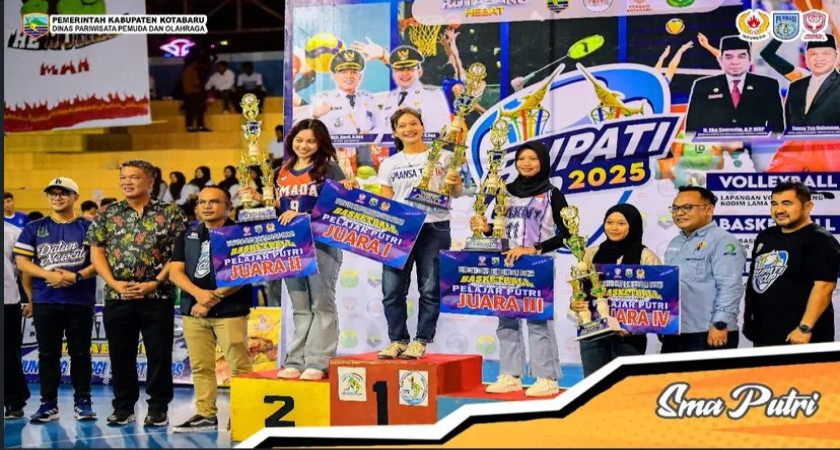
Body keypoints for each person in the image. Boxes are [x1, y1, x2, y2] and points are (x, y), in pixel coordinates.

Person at [86, 160, 187, 427]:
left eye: (134, 177)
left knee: (159, 354)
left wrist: (156, 282)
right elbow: (97, 252)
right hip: (118, 296)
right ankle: (123, 407)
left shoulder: (171, 212)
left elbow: (178, 254)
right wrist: (114, 283)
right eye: (123, 178)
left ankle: (158, 408)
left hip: (158, 296)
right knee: (121, 354)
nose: (127, 182)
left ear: (150, 181)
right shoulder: (107, 213)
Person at [248, 119, 350, 380]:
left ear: (320, 143)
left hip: (321, 244)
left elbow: (339, 208)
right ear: (291, 141)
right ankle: (296, 359)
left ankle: (319, 361)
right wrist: (259, 200)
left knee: (321, 304)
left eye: (311, 141)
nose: (304, 145)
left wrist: (304, 215)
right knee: (300, 306)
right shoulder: (280, 171)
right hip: (290, 246)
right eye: (299, 140)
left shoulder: (330, 169)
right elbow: (280, 208)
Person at [469, 142, 569, 397]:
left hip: (537, 264)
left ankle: (547, 378)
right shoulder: (505, 192)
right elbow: (499, 229)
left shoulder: (553, 194)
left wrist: (534, 248)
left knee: (538, 321)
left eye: (533, 158)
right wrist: (485, 228)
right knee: (506, 321)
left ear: (543, 162)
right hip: (506, 263)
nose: (526, 163)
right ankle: (510, 375)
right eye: (522, 158)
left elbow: (568, 234)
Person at [376, 108, 464, 360]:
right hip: (400, 230)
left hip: (434, 226)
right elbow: (386, 201)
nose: (409, 129)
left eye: (413, 123)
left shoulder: (444, 157)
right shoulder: (389, 164)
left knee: (430, 288)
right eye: (402, 126)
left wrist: (456, 183)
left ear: (422, 127)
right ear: (395, 132)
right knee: (392, 290)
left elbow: (456, 193)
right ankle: (397, 339)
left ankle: (421, 340)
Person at [14, 177, 98, 422]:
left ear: (75, 197)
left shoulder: (89, 227)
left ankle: (83, 402)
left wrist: (76, 276)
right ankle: (48, 404)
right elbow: (22, 262)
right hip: (46, 300)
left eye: (63, 193)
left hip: (79, 300)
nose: (57, 197)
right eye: (53, 193)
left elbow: (100, 262)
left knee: (80, 354)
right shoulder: (34, 227)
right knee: (48, 355)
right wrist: (48, 275)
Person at [170, 186, 253, 432]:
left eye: (214, 202)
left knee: (239, 366)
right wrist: (199, 295)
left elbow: (244, 273)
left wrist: (210, 299)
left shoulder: (241, 234)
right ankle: (206, 414)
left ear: (228, 206)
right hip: (193, 311)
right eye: (202, 202)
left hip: (230, 310)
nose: (206, 206)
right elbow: (175, 272)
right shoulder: (187, 234)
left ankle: (243, 415)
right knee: (200, 366)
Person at [744, 181, 840, 346]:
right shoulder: (766, 236)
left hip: (801, 337)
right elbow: (756, 278)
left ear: (807, 207)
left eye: (787, 203)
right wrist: (749, 319)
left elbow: (824, 287)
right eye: (774, 204)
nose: (779, 210)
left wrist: (805, 328)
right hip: (764, 334)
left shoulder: (820, 240)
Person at [574, 204, 661, 377]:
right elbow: (580, 289)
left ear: (633, 225)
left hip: (628, 336)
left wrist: (634, 325)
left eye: (621, 223)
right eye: (609, 222)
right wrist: (576, 304)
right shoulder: (590, 254)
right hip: (593, 333)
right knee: (594, 385)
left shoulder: (646, 256)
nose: (614, 228)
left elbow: (657, 298)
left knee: (624, 386)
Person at [662, 186, 745, 352]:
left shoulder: (723, 241)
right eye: (675, 208)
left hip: (708, 332)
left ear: (709, 210)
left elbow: (730, 286)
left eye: (687, 207)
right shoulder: (675, 242)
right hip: (675, 331)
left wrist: (720, 324)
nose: (679, 213)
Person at [685, 36, 784, 134]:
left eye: (741, 56)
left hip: (756, 143)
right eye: (729, 57)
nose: (735, 62)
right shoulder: (703, 86)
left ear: (750, 59)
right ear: (720, 60)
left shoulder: (768, 86)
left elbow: (777, 129)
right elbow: (692, 129)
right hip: (715, 144)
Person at [310, 50, 380, 134]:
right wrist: (315, 115)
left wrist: (370, 134)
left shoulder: (368, 98)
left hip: (366, 142)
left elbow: (380, 126)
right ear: (334, 76)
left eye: (354, 72)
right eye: (344, 72)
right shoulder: (321, 99)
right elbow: (305, 126)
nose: (349, 76)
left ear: (360, 77)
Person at [784, 35, 840, 128]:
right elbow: (789, 123)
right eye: (813, 54)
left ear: (836, 56)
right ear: (806, 57)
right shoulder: (795, 86)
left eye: (826, 54)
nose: (819, 58)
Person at [4, 222, 29, 419]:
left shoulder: (13, 232)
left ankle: (14, 400)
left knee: (9, 354)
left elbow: (23, 269)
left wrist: (31, 298)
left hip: (7, 301)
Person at [181, 56, 211, 132]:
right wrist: (202, 86)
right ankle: (199, 126)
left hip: (189, 93)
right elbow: (195, 83)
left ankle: (190, 126)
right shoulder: (192, 70)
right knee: (198, 110)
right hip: (195, 92)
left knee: (191, 110)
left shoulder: (186, 70)